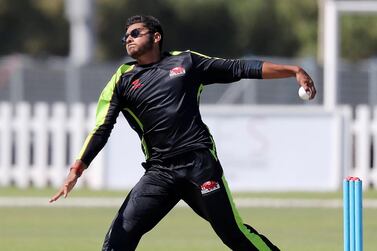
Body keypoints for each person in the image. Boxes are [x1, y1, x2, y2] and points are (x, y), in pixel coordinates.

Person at [50, 15, 316, 251]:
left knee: (232, 234)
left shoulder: (186, 62)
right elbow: (102, 127)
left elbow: (238, 68)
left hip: (199, 165)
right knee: (117, 240)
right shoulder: (122, 79)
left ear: (156, 37)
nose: (127, 39)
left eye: (134, 33)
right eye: (125, 36)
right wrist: (77, 167)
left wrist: (293, 70)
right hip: (160, 172)